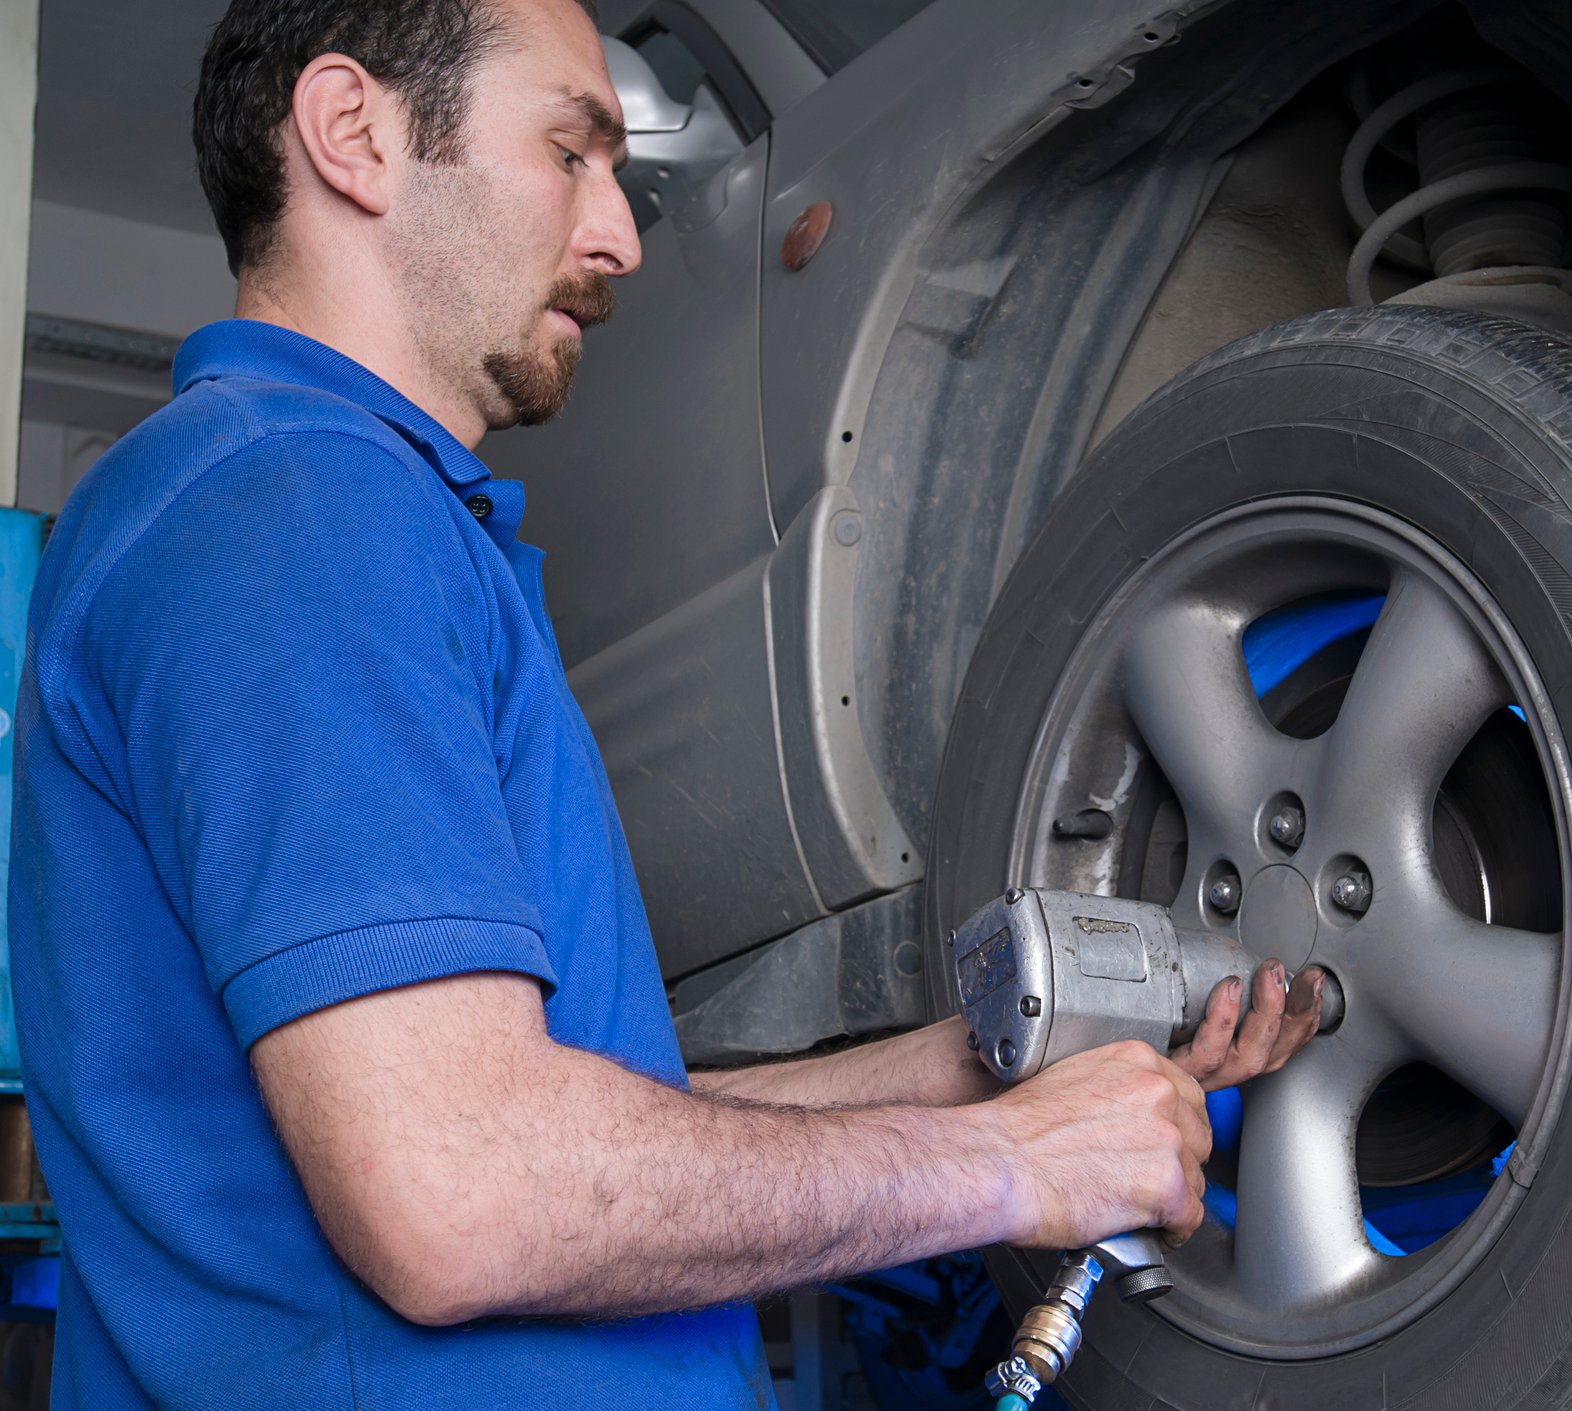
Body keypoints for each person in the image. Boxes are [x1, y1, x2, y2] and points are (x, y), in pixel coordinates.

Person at [7, 0, 1328, 1406]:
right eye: (570, 150)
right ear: (355, 133)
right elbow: (465, 1193)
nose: (620, 236)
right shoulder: (295, 510)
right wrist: (1014, 1168)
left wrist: (966, 1074)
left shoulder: (310, 510)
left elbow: (557, 1123)